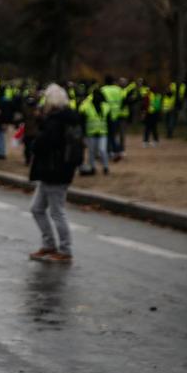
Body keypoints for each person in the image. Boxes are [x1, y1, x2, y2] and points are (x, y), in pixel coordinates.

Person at [28, 84, 81, 264]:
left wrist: (35, 142)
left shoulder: (56, 122)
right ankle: (49, 244)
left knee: (57, 212)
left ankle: (65, 249)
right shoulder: (67, 120)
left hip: (53, 170)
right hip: (57, 170)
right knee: (37, 208)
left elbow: (44, 144)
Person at [77, 89, 109, 176]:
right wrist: (83, 134)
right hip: (90, 133)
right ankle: (92, 168)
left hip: (103, 133)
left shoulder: (106, 106)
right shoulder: (86, 107)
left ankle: (106, 167)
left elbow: (109, 121)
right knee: (91, 152)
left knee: (102, 150)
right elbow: (82, 121)